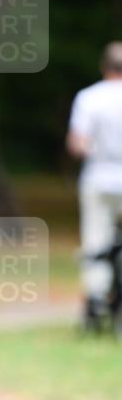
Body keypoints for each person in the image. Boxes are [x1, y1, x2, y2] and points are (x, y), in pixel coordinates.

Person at [67, 41, 122, 329]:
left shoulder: (89, 97)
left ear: (104, 67)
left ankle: (96, 299)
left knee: (95, 239)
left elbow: (78, 143)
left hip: (99, 177)